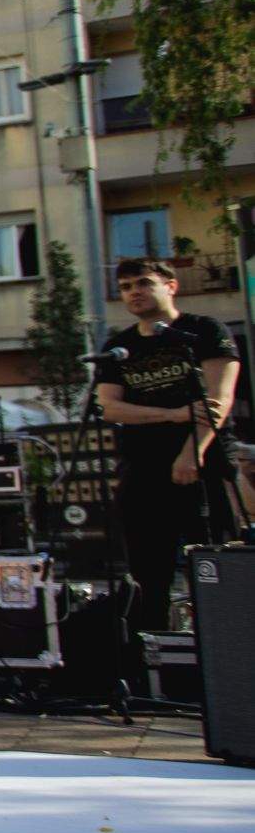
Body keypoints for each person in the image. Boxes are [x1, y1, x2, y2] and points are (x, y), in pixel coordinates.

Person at [94, 257, 243, 633]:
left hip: (203, 461)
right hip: (144, 465)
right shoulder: (119, 347)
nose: (135, 293)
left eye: (143, 283)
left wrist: (192, 451)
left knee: (213, 564)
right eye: (126, 287)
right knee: (147, 570)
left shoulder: (203, 332)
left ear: (170, 286)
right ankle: (154, 656)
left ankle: (225, 651)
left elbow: (217, 401)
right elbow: (109, 405)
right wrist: (174, 414)